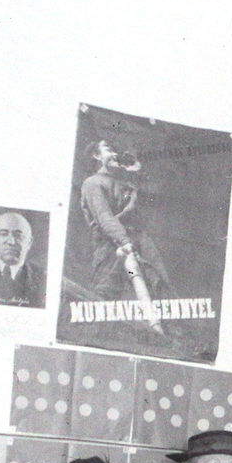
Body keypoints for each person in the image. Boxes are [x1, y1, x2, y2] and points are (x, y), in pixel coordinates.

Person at [80, 138, 175, 325]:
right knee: (106, 292)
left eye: (117, 149)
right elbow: (104, 217)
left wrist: (135, 171)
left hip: (139, 239)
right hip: (111, 243)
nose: (115, 153)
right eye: (108, 149)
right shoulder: (93, 183)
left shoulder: (126, 182)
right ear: (97, 155)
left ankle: (167, 335)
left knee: (158, 285)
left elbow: (151, 196)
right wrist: (124, 242)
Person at [0, 211, 45, 307]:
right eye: (3, 234)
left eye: (18, 235)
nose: (11, 241)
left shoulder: (43, 278)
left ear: (29, 242)